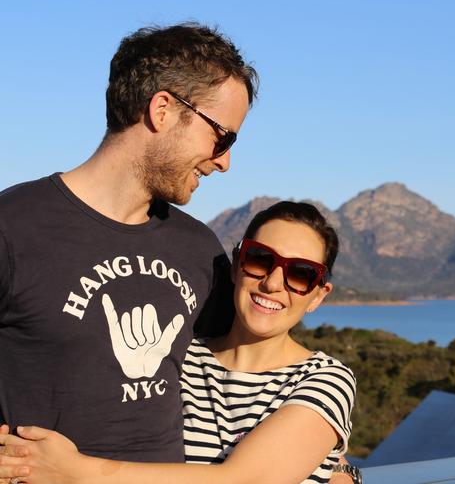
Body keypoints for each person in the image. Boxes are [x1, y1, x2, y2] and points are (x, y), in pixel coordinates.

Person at [0, 23, 257, 463]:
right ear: (163, 110)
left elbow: (254, 360)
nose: (225, 161)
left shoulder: (199, 249)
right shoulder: (13, 227)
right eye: (223, 136)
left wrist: (327, 461)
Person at [0, 201, 361, 484]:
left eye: (301, 274)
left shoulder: (325, 380)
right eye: (261, 259)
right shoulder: (179, 356)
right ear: (237, 265)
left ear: (318, 295)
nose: (273, 283)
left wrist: (73, 474)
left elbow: (241, 481)